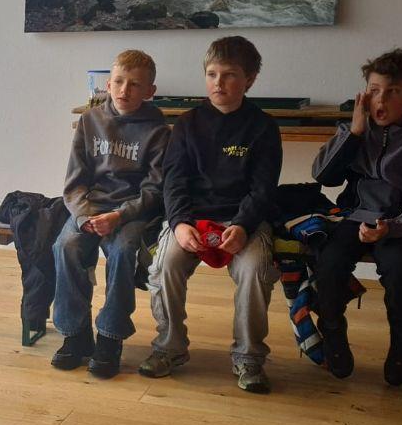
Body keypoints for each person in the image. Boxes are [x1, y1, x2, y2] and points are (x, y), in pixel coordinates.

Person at [140, 36, 282, 393]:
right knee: (165, 265)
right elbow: (174, 181)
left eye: (229, 75)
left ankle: (248, 357)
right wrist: (179, 223)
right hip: (191, 218)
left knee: (254, 269)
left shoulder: (264, 127)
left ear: (249, 80)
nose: (219, 83)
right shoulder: (187, 124)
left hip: (242, 220)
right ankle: (169, 347)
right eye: (212, 74)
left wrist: (243, 226)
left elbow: (263, 189)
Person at [310, 49, 402, 386]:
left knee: (399, 272)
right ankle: (332, 331)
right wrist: (354, 134)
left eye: (392, 91)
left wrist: (393, 227)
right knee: (328, 264)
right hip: (355, 217)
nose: (381, 100)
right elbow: (323, 176)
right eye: (374, 90)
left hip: (401, 223)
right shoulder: (354, 130)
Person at [50, 49, 170, 378]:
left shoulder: (158, 130)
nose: (124, 90)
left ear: (150, 91)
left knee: (123, 252)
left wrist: (118, 216)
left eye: (134, 85)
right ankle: (75, 334)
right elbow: (74, 182)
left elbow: (154, 190)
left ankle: (110, 336)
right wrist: (85, 217)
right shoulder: (90, 121)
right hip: (91, 207)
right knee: (65, 246)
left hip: (131, 212)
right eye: (118, 81)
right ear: (108, 83)